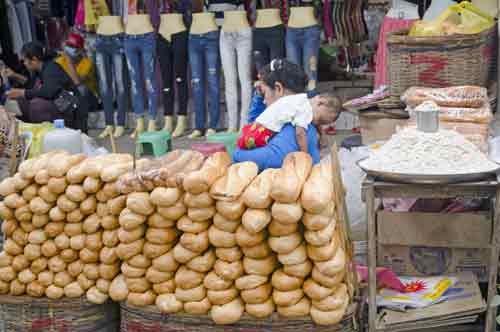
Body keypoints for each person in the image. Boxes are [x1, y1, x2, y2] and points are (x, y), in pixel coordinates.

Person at [232, 59, 322, 171]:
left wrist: (236, 153)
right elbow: (255, 127)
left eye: (264, 93)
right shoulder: (291, 114)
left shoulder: (294, 127)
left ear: (279, 88)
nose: (264, 101)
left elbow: (273, 159)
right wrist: (259, 97)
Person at [4, 42, 88, 132]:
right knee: (21, 102)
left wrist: (22, 93)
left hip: (73, 114)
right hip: (61, 109)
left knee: (37, 105)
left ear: (34, 59)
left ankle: (49, 134)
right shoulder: (39, 71)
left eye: (24, 60)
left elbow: (48, 91)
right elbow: (32, 87)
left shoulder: (51, 68)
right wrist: (15, 76)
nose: (24, 63)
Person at [237, 89, 341, 151]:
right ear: (320, 102)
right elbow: (300, 133)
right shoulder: (306, 110)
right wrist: (305, 155)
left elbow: (315, 122)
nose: (317, 123)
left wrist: (322, 135)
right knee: (249, 152)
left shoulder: (303, 99)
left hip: (257, 126)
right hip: (261, 133)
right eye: (319, 120)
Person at [56, 33, 99, 113]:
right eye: (68, 45)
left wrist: (69, 60)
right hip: (70, 96)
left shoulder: (88, 63)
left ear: (80, 50)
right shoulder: (59, 61)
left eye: (73, 46)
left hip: (89, 99)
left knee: (80, 89)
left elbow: (77, 82)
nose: (69, 48)